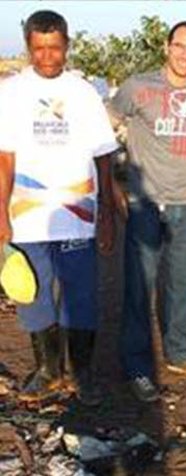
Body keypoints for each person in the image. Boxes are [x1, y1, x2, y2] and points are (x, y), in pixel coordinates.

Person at [0, 10, 119, 405]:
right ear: (28, 46)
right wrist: (1, 211)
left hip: (77, 214)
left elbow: (104, 156)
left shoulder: (83, 93)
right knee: (32, 294)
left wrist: (106, 214)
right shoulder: (11, 92)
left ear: (67, 44)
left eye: (54, 47)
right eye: (39, 48)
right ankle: (49, 372)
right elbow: (5, 159)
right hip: (27, 215)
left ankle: (81, 374)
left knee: (80, 295)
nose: (47, 56)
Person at [110, 21, 186, 402]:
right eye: (181, 46)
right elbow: (106, 133)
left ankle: (179, 352)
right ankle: (137, 366)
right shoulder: (138, 87)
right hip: (145, 202)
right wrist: (114, 186)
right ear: (167, 47)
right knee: (140, 285)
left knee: (183, 282)